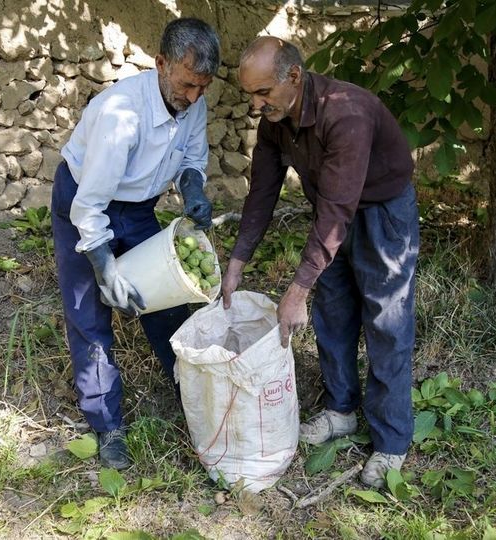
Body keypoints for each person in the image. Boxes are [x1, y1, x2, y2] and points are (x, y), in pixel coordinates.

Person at [221, 37, 420, 488]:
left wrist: (295, 291)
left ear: (293, 76)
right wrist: (237, 260)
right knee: (332, 312)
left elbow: (337, 211)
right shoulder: (277, 118)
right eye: (249, 94)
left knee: (386, 322)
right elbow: (262, 190)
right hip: (334, 211)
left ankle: (391, 443)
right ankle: (341, 411)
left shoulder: (345, 113)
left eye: (262, 92)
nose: (255, 105)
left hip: (383, 213)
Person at [51, 18, 220, 470]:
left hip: (140, 207)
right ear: (161, 63)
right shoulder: (121, 113)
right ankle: (107, 426)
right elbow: (88, 208)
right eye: (187, 85)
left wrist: (195, 191)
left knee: (166, 301)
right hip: (85, 201)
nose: (194, 98)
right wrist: (105, 266)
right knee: (91, 314)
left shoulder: (192, 100)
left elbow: (191, 158)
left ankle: (193, 399)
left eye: (203, 87)